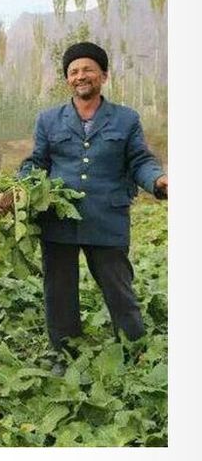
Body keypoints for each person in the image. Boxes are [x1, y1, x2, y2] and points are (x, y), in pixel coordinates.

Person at [19, 41, 168, 370]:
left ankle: (133, 351)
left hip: (106, 217)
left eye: (88, 69)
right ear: (67, 79)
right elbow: (37, 162)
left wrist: (158, 180)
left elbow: (140, 160)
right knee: (59, 291)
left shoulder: (126, 119)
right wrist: (20, 186)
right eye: (73, 71)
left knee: (118, 287)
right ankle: (64, 353)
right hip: (58, 218)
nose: (80, 76)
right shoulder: (48, 120)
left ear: (103, 75)